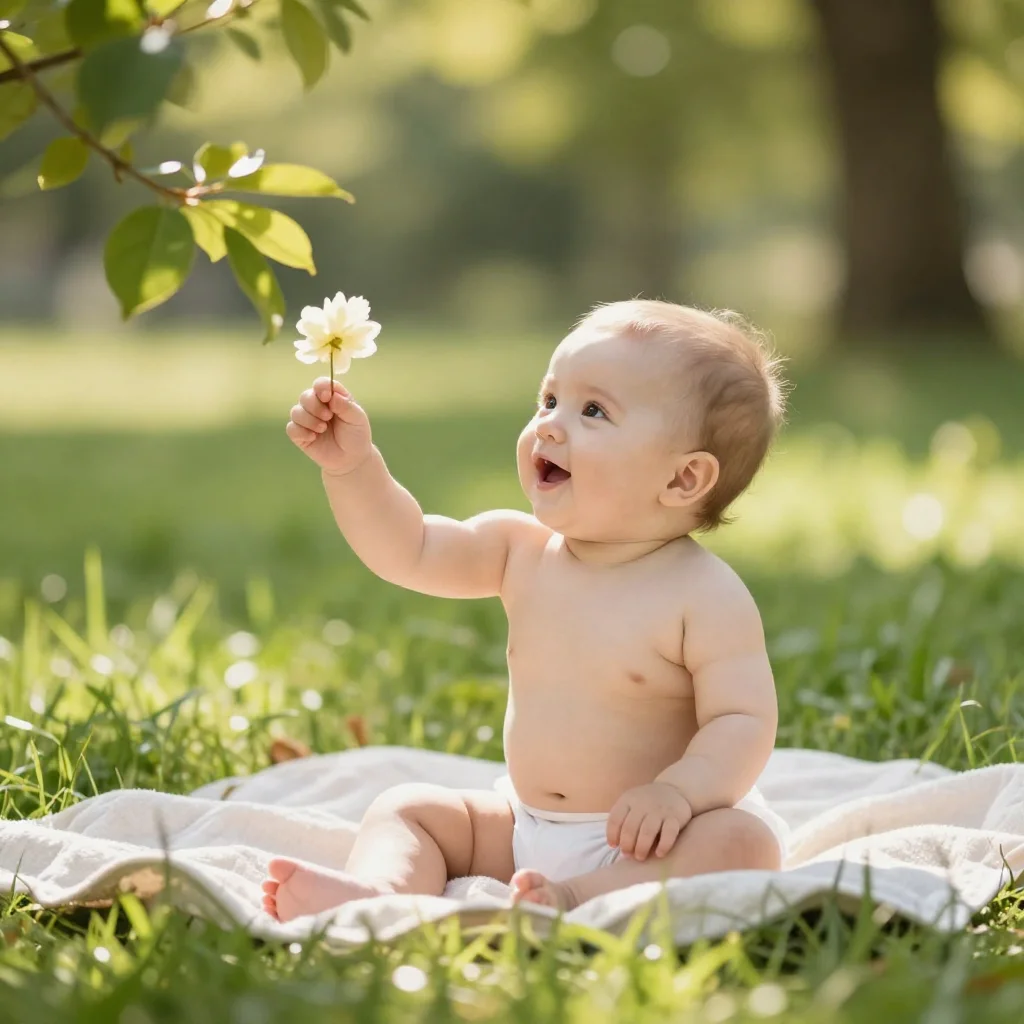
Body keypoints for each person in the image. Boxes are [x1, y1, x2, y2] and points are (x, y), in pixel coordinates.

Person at [263, 299, 790, 921]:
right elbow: (410, 549)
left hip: (651, 835)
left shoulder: (704, 594)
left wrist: (679, 793)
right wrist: (353, 469)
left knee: (741, 843)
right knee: (409, 809)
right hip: (523, 823)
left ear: (682, 480)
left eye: (593, 410)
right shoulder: (521, 551)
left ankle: (574, 900)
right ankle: (382, 893)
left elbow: (742, 719)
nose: (550, 425)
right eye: (548, 401)